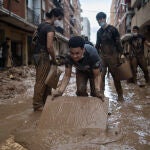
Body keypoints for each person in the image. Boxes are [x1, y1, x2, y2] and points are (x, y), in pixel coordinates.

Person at [52, 36, 104, 101]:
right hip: (81, 70)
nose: (74, 56)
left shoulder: (92, 54)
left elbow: (97, 76)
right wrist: (60, 92)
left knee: (95, 94)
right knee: (80, 91)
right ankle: (83, 108)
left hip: (94, 71)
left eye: (77, 53)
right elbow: (67, 75)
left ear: (83, 50)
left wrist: (98, 90)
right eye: (72, 53)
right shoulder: (68, 56)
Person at [32, 8, 64, 111]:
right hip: (43, 55)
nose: (59, 21)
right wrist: (54, 59)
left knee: (46, 79)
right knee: (41, 81)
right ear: (54, 16)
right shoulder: (50, 28)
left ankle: (46, 101)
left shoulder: (41, 25)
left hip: (37, 55)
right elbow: (50, 47)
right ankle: (37, 105)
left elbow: (34, 39)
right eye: (59, 18)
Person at [95, 12, 124, 101]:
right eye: (98, 20)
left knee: (116, 76)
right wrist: (96, 56)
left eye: (101, 19)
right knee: (101, 76)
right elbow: (97, 44)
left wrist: (121, 54)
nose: (100, 21)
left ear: (105, 18)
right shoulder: (99, 32)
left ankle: (120, 95)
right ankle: (101, 95)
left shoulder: (113, 29)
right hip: (103, 57)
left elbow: (118, 42)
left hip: (113, 56)